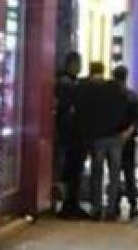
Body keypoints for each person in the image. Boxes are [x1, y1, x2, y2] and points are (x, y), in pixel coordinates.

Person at [75, 62, 131, 221]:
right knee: (114, 174)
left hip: (98, 137)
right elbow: (127, 111)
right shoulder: (119, 91)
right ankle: (112, 208)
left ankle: (97, 207)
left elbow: (87, 112)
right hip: (116, 136)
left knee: (97, 173)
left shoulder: (93, 90)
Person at [55, 51, 87, 219]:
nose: (80, 67)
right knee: (71, 171)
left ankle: (71, 203)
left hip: (70, 135)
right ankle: (69, 204)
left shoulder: (67, 82)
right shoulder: (67, 84)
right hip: (70, 136)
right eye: (78, 64)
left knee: (71, 171)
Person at [113, 65, 138, 218]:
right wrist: (130, 131)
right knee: (129, 172)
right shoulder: (132, 96)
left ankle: (115, 203)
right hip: (128, 139)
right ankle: (133, 203)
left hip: (113, 136)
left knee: (114, 171)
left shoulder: (109, 96)